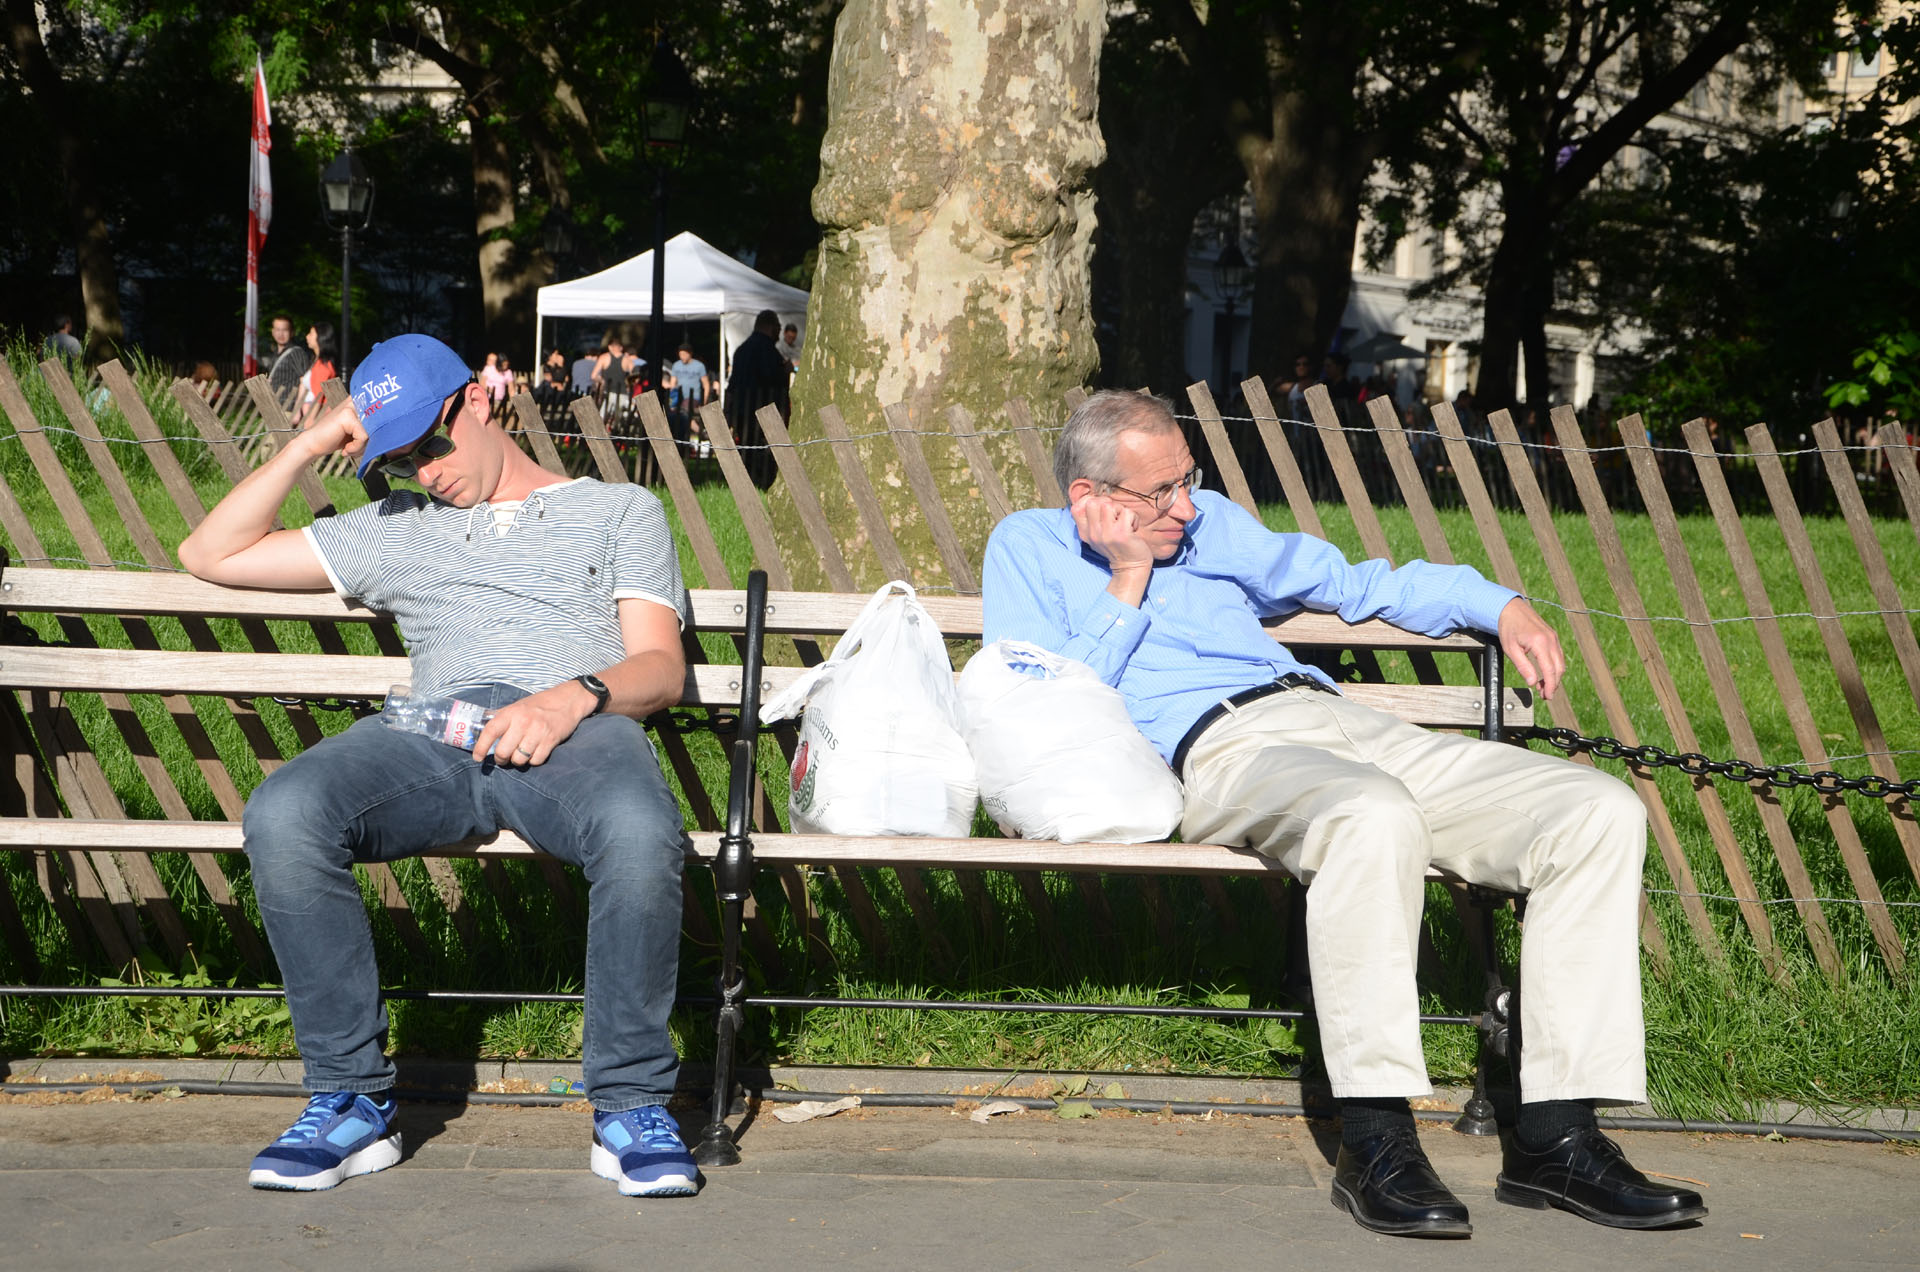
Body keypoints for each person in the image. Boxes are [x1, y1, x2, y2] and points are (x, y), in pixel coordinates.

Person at [981, 389, 1706, 1240]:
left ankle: (1557, 1139)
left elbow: (1352, 583)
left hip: (1342, 722)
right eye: (1161, 493)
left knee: (1592, 809)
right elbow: (1047, 699)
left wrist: (1494, 601)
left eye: (1188, 481)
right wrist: (1129, 575)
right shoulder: (1027, 546)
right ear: (1089, 498)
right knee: (1370, 813)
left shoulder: (1211, 523)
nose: (1185, 506)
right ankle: (1376, 1140)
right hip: (1222, 752)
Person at [175, 333, 700, 1199]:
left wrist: (567, 699)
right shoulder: (394, 530)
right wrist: (314, 438)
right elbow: (210, 555)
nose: (425, 470)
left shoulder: (617, 512)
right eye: (401, 455)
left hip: (575, 726)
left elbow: (660, 668)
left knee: (642, 831)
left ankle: (631, 1104)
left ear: (481, 402)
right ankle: (351, 1100)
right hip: (437, 732)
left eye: (431, 443)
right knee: (286, 812)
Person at [724, 310, 790, 486]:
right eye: (778, 327)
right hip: (762, 410)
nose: (779, 332)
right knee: (763, 451)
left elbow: (733, 384)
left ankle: (746, 482)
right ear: (770, 326)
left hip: (741, 409)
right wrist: (785, 371)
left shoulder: (742, 349)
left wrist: (729, 411)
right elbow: (771, 377)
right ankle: (762, 482)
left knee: (747, 448)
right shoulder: (767, 349)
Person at [665, 343, 712, 449]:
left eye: (684, 354)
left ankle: (701, 433)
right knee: (675, 414)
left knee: (683, 412)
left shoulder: (699, 366)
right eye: (680, 354)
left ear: (690, 353)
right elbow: (673, 382)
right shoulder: (676, 365)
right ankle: (698, 433)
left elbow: (706, 384)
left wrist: (704, 402)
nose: (682, 357)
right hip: (678, 397)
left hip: (693, 397)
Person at [294, 323, 338, 428]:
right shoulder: (317, 362)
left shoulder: (323, 366)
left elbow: (318, 395)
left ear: (321, 337)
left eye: (311, 333)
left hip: (319, 418)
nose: (307, 336)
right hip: (315, 416)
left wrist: (310, 420)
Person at [267, 315, 315, 403]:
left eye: (285, 330)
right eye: (278, 330)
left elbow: (305, 381)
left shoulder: (296, 352)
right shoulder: (274, 354)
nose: (281, 334)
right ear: (273, 332)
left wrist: (299, 407)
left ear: (292, 332)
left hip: (289, 408)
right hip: (275, 405)